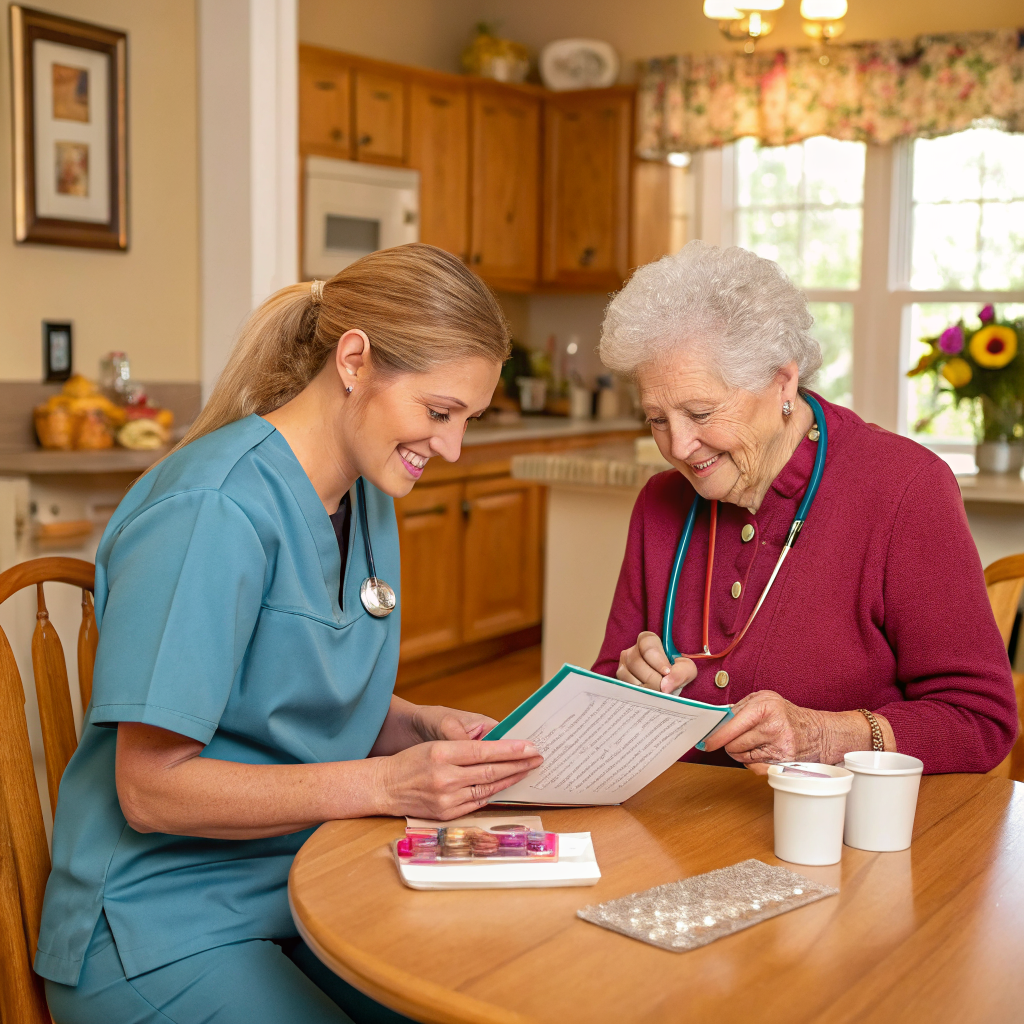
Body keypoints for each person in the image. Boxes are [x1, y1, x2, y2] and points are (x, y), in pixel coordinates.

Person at [37, 243, 543, 1024]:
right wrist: (385, 783)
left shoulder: (367, 492)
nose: (451, 447)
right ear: (354, 362)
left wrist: (421, 726)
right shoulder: (213, 510)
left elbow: (296, 686)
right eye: (439, 413)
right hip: (157, 925)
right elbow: (149, 788)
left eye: (467, 420)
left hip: (301, 889)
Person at [594, 241, 1017, 774]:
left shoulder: (904, 487)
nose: (678, 447)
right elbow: (606, 684)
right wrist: (627, 685)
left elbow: (979, 721)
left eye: (700, 412)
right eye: (657, 419)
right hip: (681, 828)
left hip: (845, 837)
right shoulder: (660, 502)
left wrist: (826, 737)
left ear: (783, 381)